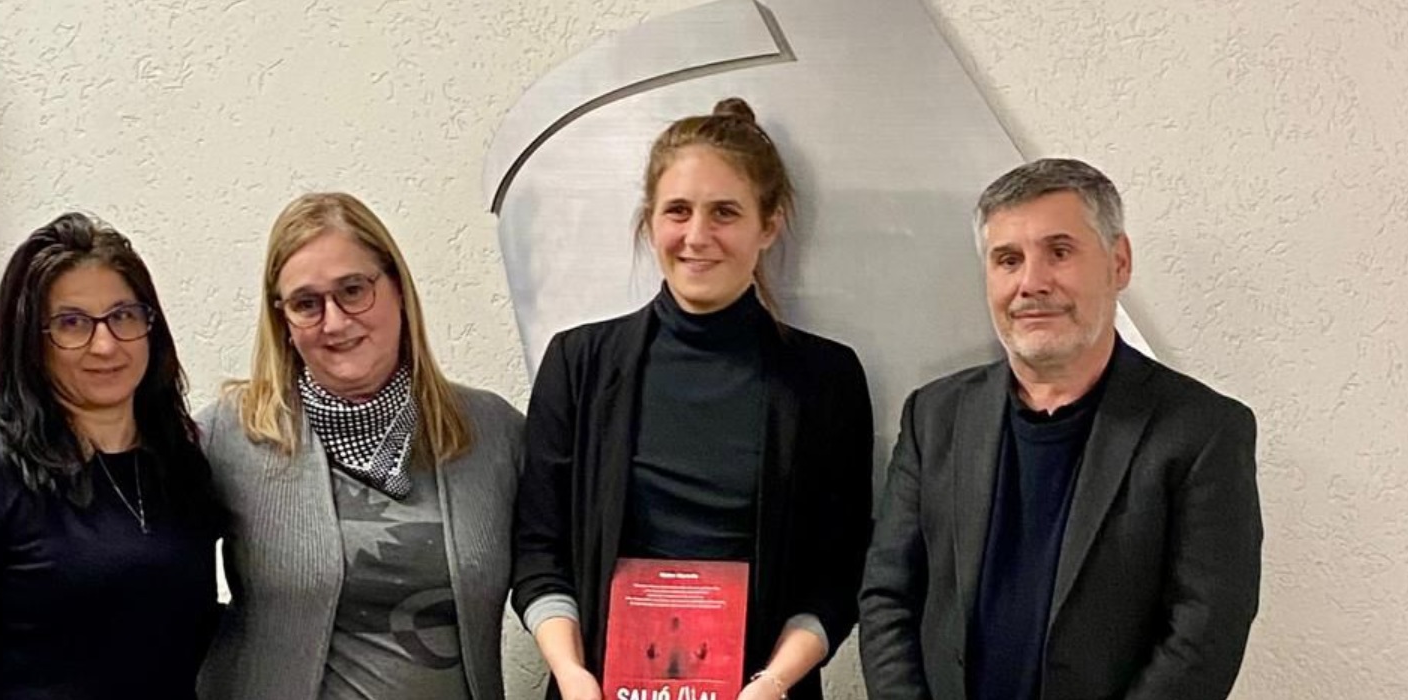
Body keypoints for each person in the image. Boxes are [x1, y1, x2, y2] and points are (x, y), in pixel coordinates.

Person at [511, 98, 875, 700]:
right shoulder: (579, 364)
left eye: (725, 212)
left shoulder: (826, 379)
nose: (697, 236)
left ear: (769, 225)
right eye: (677, 211)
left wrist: (775, 682)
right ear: (650, 220)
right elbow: (539, 552)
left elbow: (838, 572)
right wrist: (572, 675)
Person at [859, 158, 1263, 700]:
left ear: (1118, 262)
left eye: (1060, 252)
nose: (1031, 283)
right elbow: (887, 596)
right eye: (1008, 260)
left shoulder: (1203, 431)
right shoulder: (934, 417)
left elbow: (1205, 634)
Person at [0, 212, 224, 699]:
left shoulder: (181, 467)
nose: (105, 344)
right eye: (72, 323)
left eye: (123, 316)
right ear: (29, 343)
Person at [197, 192, 524, 700]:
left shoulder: (492, 433)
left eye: (353, 290)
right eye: (306, 304)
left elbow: (564, 571)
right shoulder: (233, 436)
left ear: (398, 289)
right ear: (282, 321)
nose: (334, 321)